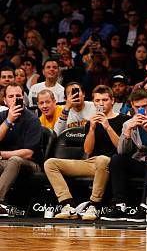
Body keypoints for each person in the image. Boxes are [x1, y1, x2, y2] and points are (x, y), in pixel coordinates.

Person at [44, 85, 128, 220]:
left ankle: (93, 205)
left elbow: (121, 148)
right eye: (98, 100)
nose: (101, 103)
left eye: (105, 100)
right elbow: (88, 150)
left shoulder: (123, 120)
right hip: (91, 163)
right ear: (94, 102)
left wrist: (107, 127)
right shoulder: (90, 123)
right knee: (50, 163)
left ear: (112, 101)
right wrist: (92, 129)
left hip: (111, 163)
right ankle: (68, 204)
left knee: (102, 159)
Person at [102, 89, 147, 222]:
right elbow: (121, 151)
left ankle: (145, 207)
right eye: (137, 107)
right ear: (132, 106)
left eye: (144, 106)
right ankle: (119, 205)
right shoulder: (128, 123)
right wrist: (127, 132)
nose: (141, 110)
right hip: (141, 160)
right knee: (116, 160)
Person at [0, 83, 42, 215]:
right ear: (5, 100)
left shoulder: (32, 119)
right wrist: (8, 121)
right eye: (10, 96)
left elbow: (29, 153)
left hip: (30, 164)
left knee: (15, 160)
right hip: (5, 163)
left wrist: (1, 154)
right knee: (11, 161)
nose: (14, 99)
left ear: (23, 98)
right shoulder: (2, 117)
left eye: (18, 96)